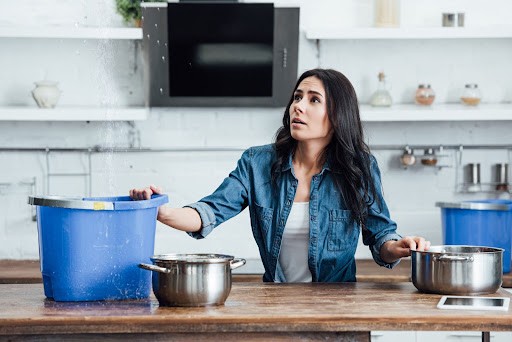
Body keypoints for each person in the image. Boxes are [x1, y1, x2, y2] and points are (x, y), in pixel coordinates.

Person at [130, 68, 430, 283]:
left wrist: (400, 248)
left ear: (339, 115)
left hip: (339, 304)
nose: (297, 106)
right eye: (297, 97)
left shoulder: (360, 167)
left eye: (313, 100)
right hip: (277, 298)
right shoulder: (257, 162)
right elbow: (209, 211)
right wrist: (163, 212)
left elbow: (381, 238)